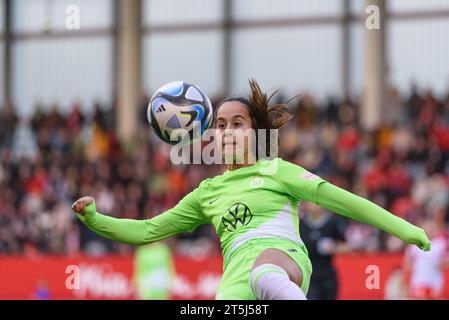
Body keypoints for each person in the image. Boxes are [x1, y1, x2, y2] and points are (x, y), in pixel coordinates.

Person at [72, 79, 431, 300]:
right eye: (221, 125)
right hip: (235, 283)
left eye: (237, 124)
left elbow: (345, 201)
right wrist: (93, 218)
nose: (227, 132)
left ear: (257, 132)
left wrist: (406, 230)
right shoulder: (207, 193)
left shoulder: (277, 171)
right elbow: (147, 230)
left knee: (264, 273)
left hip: (283, 262)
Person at [300, 202, 350, 299]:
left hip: (327, 274)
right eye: (310, 201)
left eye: (316, 202)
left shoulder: (333, 221)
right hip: (309, 275)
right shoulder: (300, 223)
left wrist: (334, 248)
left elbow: (347, 246)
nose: (313, 204)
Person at [402, 219, 449, 299]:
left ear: (436, 229)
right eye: (427, 228)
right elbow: (408, 264)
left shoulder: (442, 243)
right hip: (418, 279)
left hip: (435, 280)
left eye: (432, 228)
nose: (429, 230)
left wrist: (440, 264)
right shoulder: (415, 244)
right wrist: (405, 282)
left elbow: (446, 263)